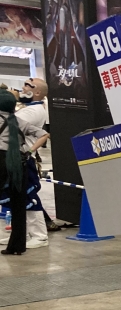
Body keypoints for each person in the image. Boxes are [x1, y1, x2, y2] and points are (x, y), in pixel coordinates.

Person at [0, 90, 49, 256]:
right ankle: (17, 246)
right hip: (18, 161)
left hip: (1, 160)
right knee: (19, 205)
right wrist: (29, 151)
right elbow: (44, 134)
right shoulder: (20, 121)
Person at [15, 77, 51, 247]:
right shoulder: (28, 108)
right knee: (14, 197)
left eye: (28, 85)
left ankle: (39, 235)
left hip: (23, 158)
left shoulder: (32, 111)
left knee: (29, 196)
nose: (23, 88)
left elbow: (9, 123)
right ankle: (19, 233)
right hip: (14, 156)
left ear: (37, 92)